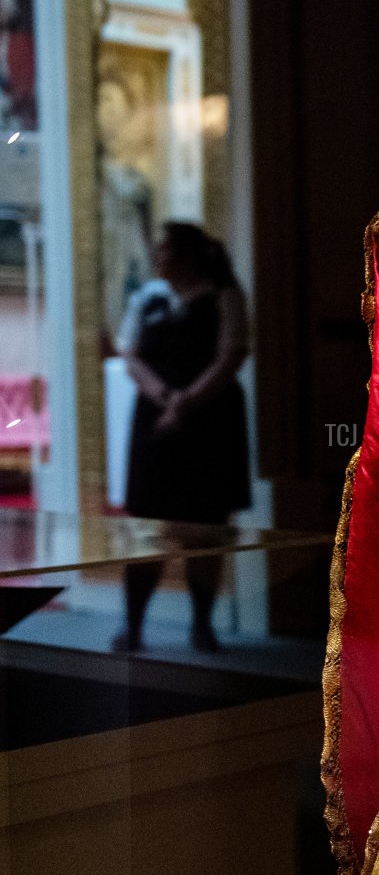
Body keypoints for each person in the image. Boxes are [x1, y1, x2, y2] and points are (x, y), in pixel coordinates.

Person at [114, 221, 251, 652]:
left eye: (165, 249)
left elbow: (231, 355)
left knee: (205, 524)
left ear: (189, 255)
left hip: (210, 421)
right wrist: (164, 398)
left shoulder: (225, 297)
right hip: (154, 420)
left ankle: (202, 625)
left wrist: (186, 403)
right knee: (146, 522)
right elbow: (130, 355)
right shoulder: (147, 298)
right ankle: (133, 625)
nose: (158, 256)